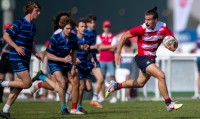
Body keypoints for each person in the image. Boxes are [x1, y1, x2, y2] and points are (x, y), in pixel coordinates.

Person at [105, 6, 183, 111]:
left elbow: (174, 43)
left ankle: (115, 85)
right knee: (161, 75)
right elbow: (124, 36)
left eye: (149, 19)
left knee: (140, 83)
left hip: (151, 59)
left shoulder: (163, 28)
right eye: (145, 19)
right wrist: (118, 53)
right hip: (142, 58)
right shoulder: (141, 29)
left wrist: (173, 46)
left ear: (155, 20)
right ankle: (168, 103)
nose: (146, 22)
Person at [0, 1, 42, 119]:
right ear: (30, 11)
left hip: (26, 58)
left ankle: (5, 110)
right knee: (27, 83)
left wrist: (35, 52)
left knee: (20, 86)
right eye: (36, 11)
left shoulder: (33, 26)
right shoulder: (19, 23)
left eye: (39, 11)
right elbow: (6, 36)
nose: (39, 13)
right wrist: (16, 47)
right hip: (16, 56)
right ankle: (2, 83)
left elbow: (31, 42)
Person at [33, 19, 83, 115]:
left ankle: (74, 108)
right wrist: (62, 59)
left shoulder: (73, 37)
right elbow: (48, 55)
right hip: (55, 63)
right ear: (62, 28)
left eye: (71, 29)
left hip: (67, 63)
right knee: (62, 84)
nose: (69, 30)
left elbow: (74, 52)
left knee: (75, 81)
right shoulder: (55, 38)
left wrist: (73, 66)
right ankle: (64, 108)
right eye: (67, 28)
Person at [75, 18, 96, 113]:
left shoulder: (87, 38)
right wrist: (74, 59)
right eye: (81, 26)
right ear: (77, 28)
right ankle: (78, 106)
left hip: (85, 65)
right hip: (77, 66)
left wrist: (92, 59)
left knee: (88, 88)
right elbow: (69, 51)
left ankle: (70, 94)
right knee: (82, 86)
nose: (83, 28)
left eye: (85, 27)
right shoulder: (74, 39)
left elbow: (89, 51)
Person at [96, 20, 118, 103]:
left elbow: (113, 48)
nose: (107, 28)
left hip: (110, 60)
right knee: (102, 78)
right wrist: (109, 46)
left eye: (108, 27)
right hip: (102, 60)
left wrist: (103, 46)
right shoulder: (99, 36)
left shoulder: (113, 37)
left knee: (113, 78)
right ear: (103, 27)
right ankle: (102, 96)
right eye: (105, 27)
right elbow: (99, 47)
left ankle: (114, 97)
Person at [85, 15, 104, 108]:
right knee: (85, 87)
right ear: (87, 23)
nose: (93, 24)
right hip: (85, 60)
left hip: (93, 59)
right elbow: (84, 47)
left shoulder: (94, 32)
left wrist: (96, 48)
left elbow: (93, 47)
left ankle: (94, 99)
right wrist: (95, 46)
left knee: (101, 79)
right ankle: (67, 103)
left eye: (94, 22)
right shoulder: (85, 33)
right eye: (91, 22)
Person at [0, 23, 14, 103]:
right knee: (1, 78)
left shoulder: (13, 37)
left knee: (11, 78)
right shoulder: (2, 37)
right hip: (3, 58)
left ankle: (11, 97)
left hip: (11, 57)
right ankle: (0, 97)